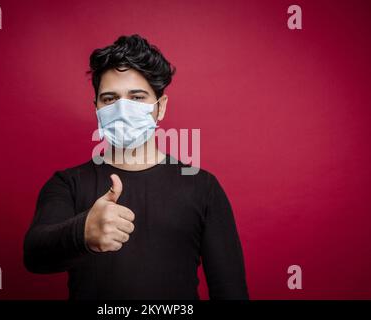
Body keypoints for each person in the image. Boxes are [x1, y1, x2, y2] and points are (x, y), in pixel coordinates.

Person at [23, 34, 249, 300]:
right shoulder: (67, 184)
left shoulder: (202, 187)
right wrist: (82, 232)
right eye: (109, 99)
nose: (122, 108)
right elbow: (35, 255)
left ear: (160, 107)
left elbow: (230, 290)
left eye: (137, 97)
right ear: (96, 108)